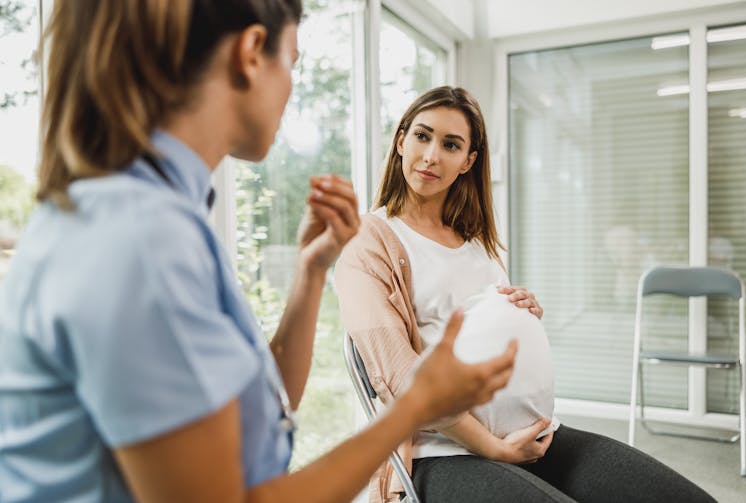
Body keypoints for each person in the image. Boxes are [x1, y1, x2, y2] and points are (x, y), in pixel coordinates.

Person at [0, 3, 520, 503]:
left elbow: (268, 406)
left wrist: (310, 271)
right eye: (292, 62)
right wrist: (415, 406)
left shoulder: (159, 217)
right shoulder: (141, 241)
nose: (291, 88)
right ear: (251, 52)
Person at [334, 86, 715, 503]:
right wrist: (493, 447)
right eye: (422, 136)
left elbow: (478, 324)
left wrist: (519, 313)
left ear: (468, 161)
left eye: (451, 145)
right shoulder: (368, 241)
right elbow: (401, 378)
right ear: (401, 140)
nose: (431, 156)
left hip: (536, 435)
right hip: (441, 452)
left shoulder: (475, 238)